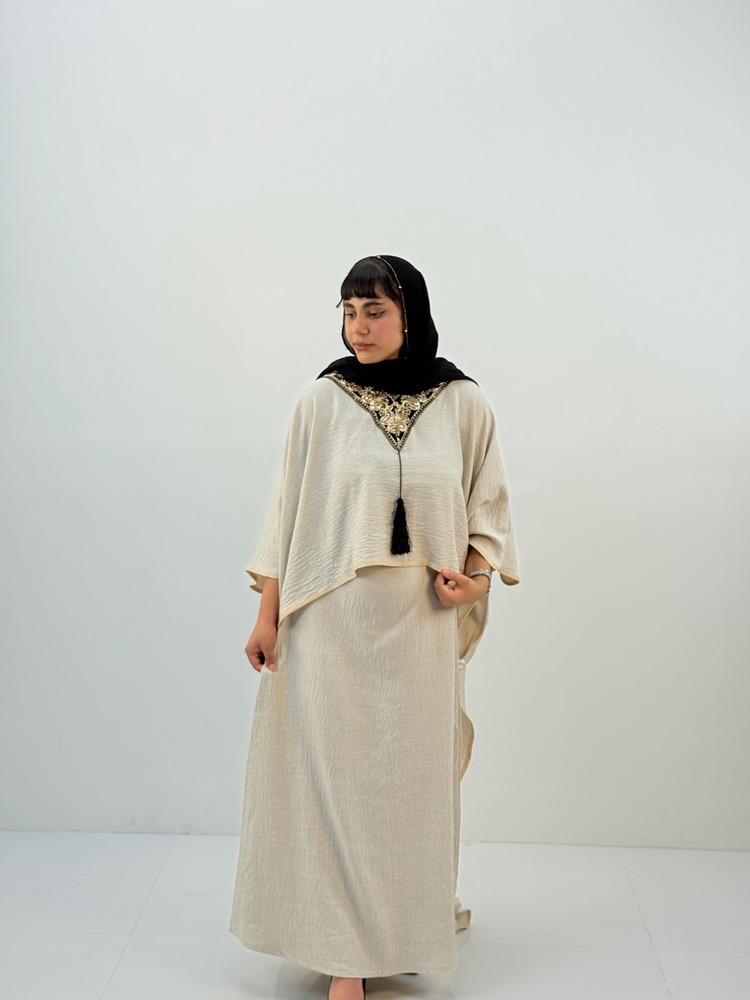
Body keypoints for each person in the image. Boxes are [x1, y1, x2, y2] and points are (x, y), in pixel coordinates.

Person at [229, 255, 519, 1000]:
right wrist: (266, 614)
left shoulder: (463, 403)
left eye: (375, 311)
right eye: (349, 311)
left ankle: (402, 927)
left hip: (420, 623)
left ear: (410, 315)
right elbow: (285, 513)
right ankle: (345, 956)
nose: (358, 328)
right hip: (330, 622)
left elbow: (488, 504)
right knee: (334, 783)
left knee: (409, 783)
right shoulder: (320, 401)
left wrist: (475, 578)